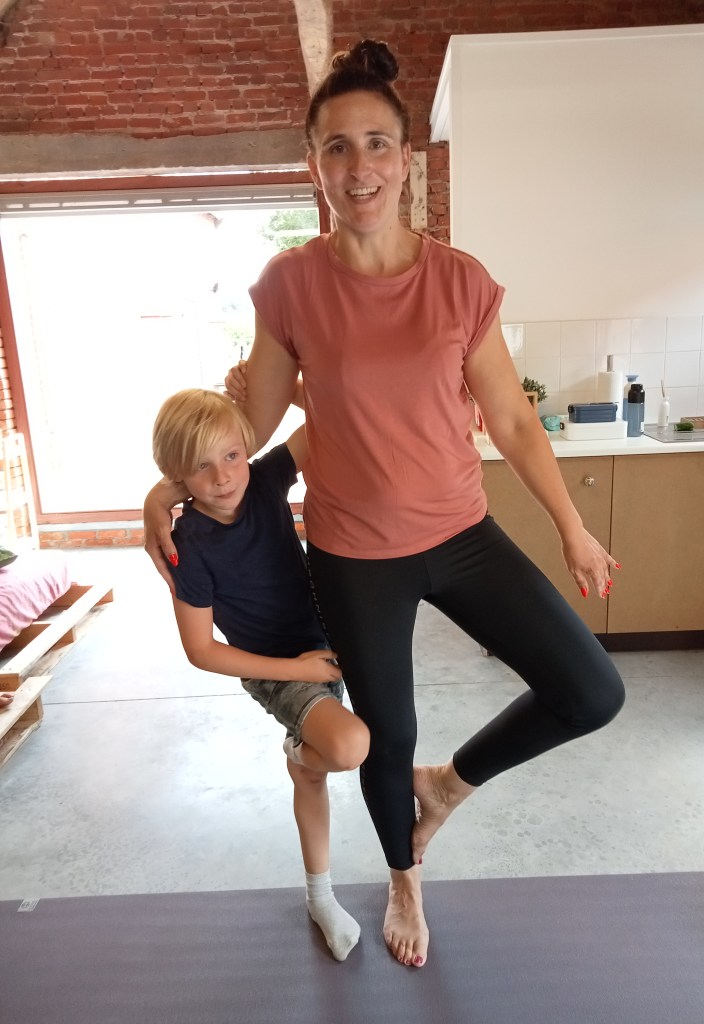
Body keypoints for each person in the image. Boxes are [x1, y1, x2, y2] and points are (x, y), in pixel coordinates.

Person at [145, 39, 625, 970]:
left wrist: (573, 528)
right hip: (354, 553)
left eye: (375, 144)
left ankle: (446, 787)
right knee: (384, 737)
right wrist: (163, 492)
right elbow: (253, 425)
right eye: (336, 147)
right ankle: (405, 878)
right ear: (315, 165)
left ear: (405, 160)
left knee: (590, 689)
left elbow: (512, 423)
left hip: (461, 533)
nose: (357, 166)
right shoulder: (290, 285)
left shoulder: (460, 281)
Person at [150, 388, 370, 962]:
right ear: (177, 474)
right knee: (348, 747)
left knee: (316, 774)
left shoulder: (266, 479)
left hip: (326, 640)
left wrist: (292, 390)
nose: (223, 477)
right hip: (277, 668)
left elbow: (334, 412)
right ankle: (301, 754)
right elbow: (201, 650)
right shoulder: (188, 544)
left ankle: (320, 896)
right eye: (201, 466)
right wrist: (293, 669)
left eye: (231, 456)